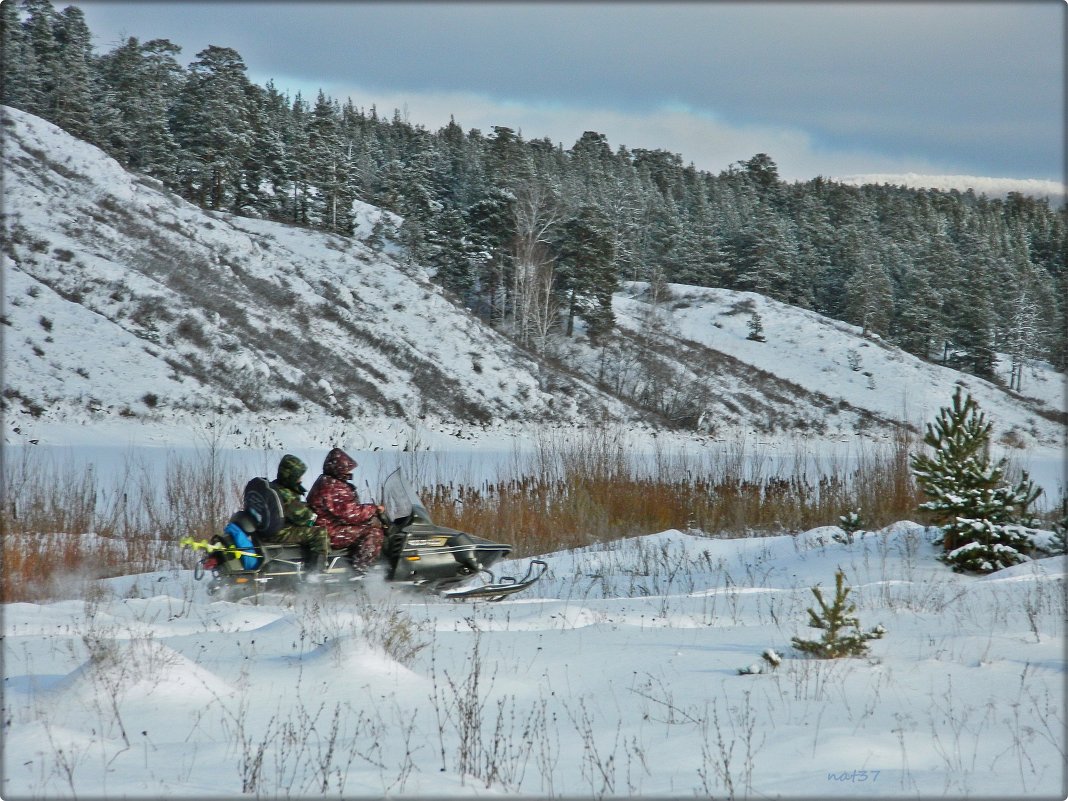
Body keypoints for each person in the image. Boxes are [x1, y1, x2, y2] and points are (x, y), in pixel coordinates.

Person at [307, 447, 385, 573]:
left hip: (326, 527)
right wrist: (374, 509)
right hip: (331, 531)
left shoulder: (325, 480)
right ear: (339, 468)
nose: (348, 472)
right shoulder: (333, 486)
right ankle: (361, 572)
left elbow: (346, 509)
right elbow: (352, 514)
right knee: (374, 533)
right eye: (346, 469)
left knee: (367, 527)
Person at [266, 454, 331, 577]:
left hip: (271, 528)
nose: (301, 479)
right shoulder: (285, 495)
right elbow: (305, 518)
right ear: (290, 476)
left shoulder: (276, 485)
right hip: (279, 532)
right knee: (320, 533)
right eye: (298, 476)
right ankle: (316, 575)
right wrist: (315, 518)